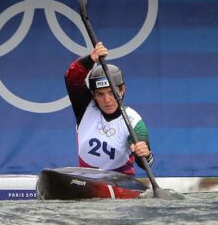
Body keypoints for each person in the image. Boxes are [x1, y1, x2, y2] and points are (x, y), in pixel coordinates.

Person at [64, 41, 153, 176]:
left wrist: (144, 154)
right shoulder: (85, 107)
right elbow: (71, 79)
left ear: (122, 90)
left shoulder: (134, 122)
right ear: (93, 94)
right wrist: (89, 60)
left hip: (120, 183)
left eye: (111, 92)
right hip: (87, 180)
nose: (107, 100)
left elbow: (145, 165)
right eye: (100, 94)